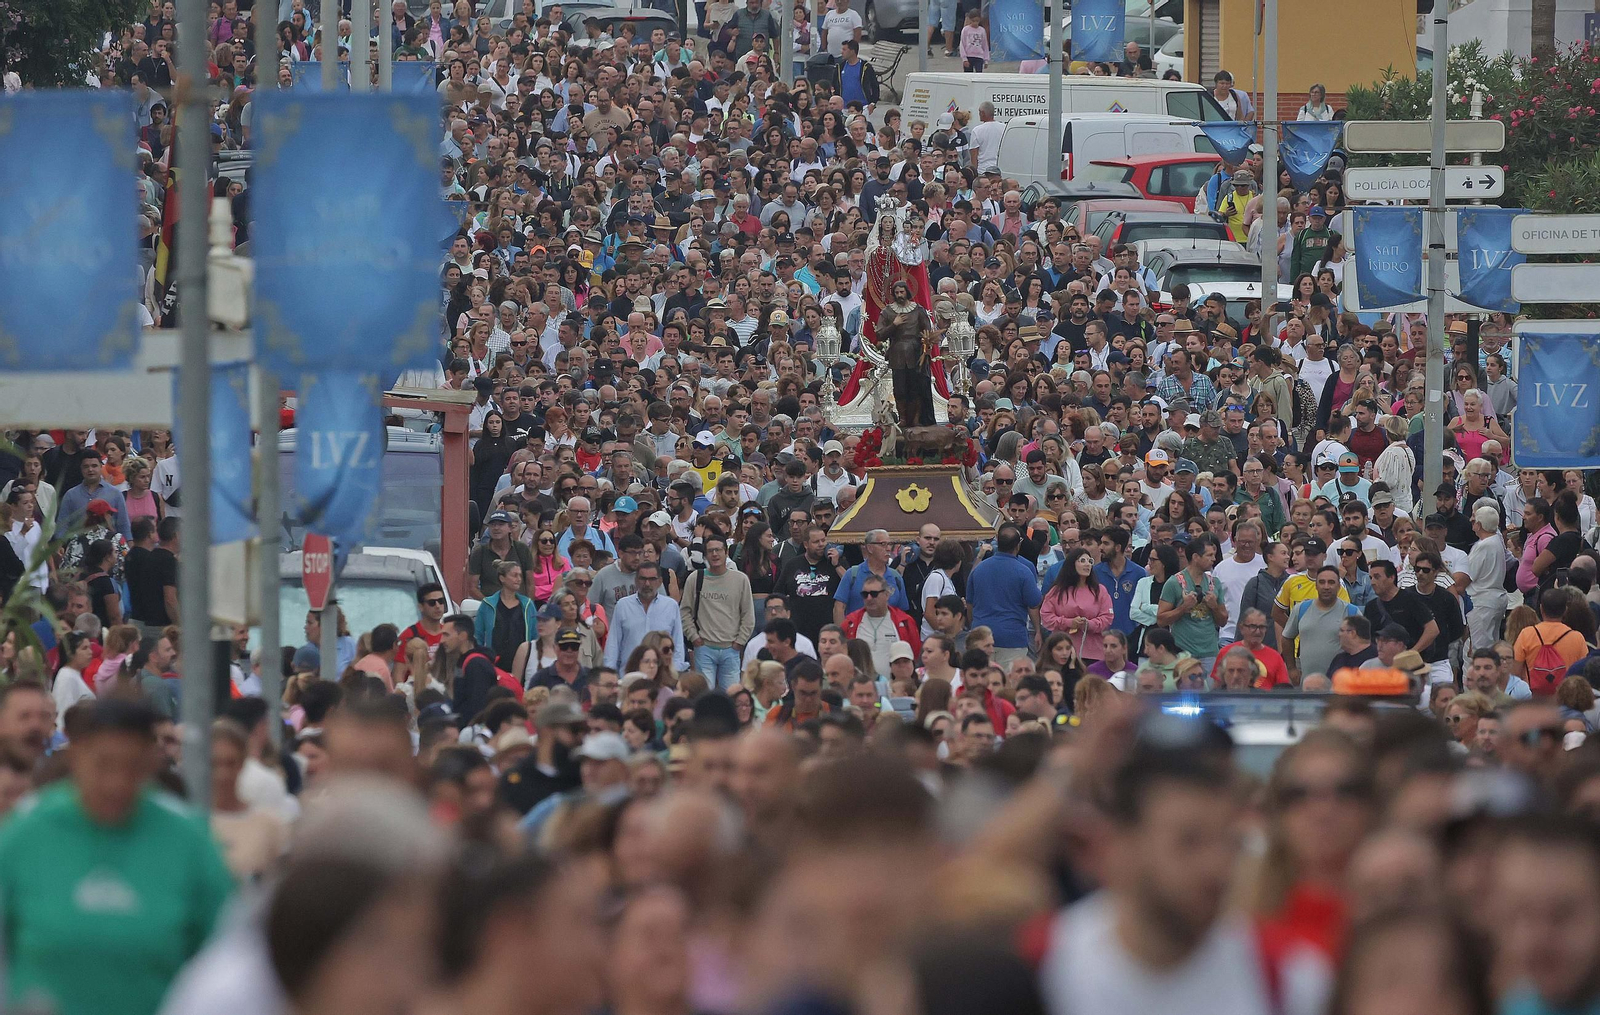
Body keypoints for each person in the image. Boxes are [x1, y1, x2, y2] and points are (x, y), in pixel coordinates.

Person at [0, 699, 233, 1015]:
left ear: (152, 763)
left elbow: (229, 961)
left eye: (133, 767)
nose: (117, 783)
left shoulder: (188, 840)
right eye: (103, 764)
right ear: (77, 756)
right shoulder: (27, 834)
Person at [681, 534, 755, 690]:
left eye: (718, 550)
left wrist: (739, 642)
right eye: (710, 551)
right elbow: (685, 611)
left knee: (731, 695)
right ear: (705, 554)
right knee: (705, 695)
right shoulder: (695, 578)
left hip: (731, 649)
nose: (715, 554)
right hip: (704, 648)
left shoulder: (740, 579)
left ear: (726, 552)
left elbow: (748, 614)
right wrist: (694, 637)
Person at [967, 524, 1043, 667]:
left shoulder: (978, 569)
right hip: (1012, 638)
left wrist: (974, 626)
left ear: (997, 541)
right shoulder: (1024, 571)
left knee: (980, 682)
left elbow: (970, 604)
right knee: (1009, 684)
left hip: (981, 635)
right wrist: (1038, 630)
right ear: (1018, 544)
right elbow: (1034, 602)